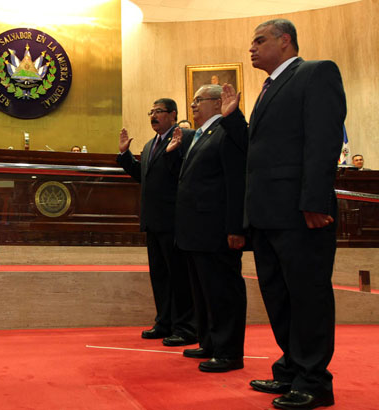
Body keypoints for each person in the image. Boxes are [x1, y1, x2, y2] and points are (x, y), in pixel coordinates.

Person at [222, 18, 346, 409]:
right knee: (279, 297)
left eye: (259, 41)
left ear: (285, 41)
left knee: (307, 296)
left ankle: (314, 381)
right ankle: (292, 369)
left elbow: (323, 140)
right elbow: (260, 154)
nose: (251, 48)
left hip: (300, 212)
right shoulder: (268, 88)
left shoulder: (316, 73)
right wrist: (233, 120)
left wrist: (315, 201)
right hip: (268, 214)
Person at [173, 85, 247, 373]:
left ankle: (229, 352)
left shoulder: (226, 132)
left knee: (222, 292)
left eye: (198, 101)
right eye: (192, 101)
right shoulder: (199, 134)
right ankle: (209, 342)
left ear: (218, 103)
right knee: (203, 291)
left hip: (216, 229)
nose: (192, 106)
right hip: (195, 229)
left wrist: (236, 227)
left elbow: (234, 182)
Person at [117, 98, 197, 346]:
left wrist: (174, 154)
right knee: (160, 276)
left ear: (173, 114)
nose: (153, 116)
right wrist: (125, 156)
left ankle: (185, 328)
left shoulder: (186, 137)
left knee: (179, 277)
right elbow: (146, 178)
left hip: (174, 221)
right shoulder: (152, 143)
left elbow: (185, 175)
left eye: (159, 112)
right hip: (153, 221)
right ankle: (164, 323)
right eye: (151, 112)